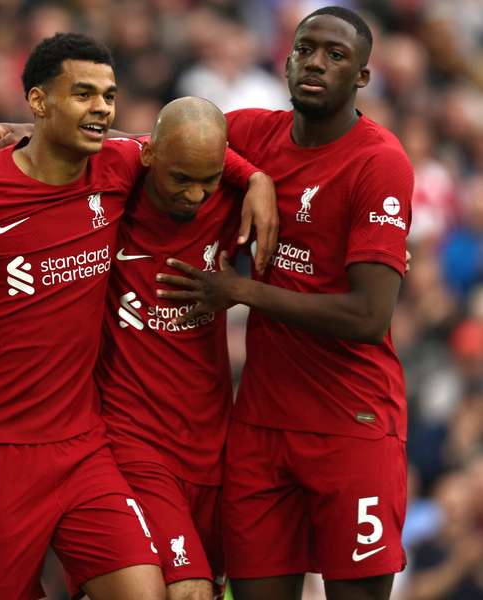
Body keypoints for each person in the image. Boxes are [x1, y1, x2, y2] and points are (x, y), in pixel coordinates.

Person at [0, 33, 274, 600]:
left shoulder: (116, 166)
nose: (102, 107)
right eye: (84, 93)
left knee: (148, 591)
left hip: (82, 443)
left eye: (108, 95)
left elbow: (171, 144)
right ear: (39, 101)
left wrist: (254, 178)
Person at [157, 7, 414, 600]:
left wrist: (241, 292)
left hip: (351, 424)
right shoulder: (253, 133)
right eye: (305, 50)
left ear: (363, 77)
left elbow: (368, 317)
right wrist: (30, 140)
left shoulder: (379, 162)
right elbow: (156, 144)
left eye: (335, 55)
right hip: (261, 430)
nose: (316, 63)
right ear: (287, 58)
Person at [96, 96, 242, 600]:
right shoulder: (113, 199)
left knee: (216, 586)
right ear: (151, 155)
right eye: (182, 179)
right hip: (134, 438)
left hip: (213, 442)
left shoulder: (232, 202)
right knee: (188, 588)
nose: (196, 194)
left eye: (209, 179)